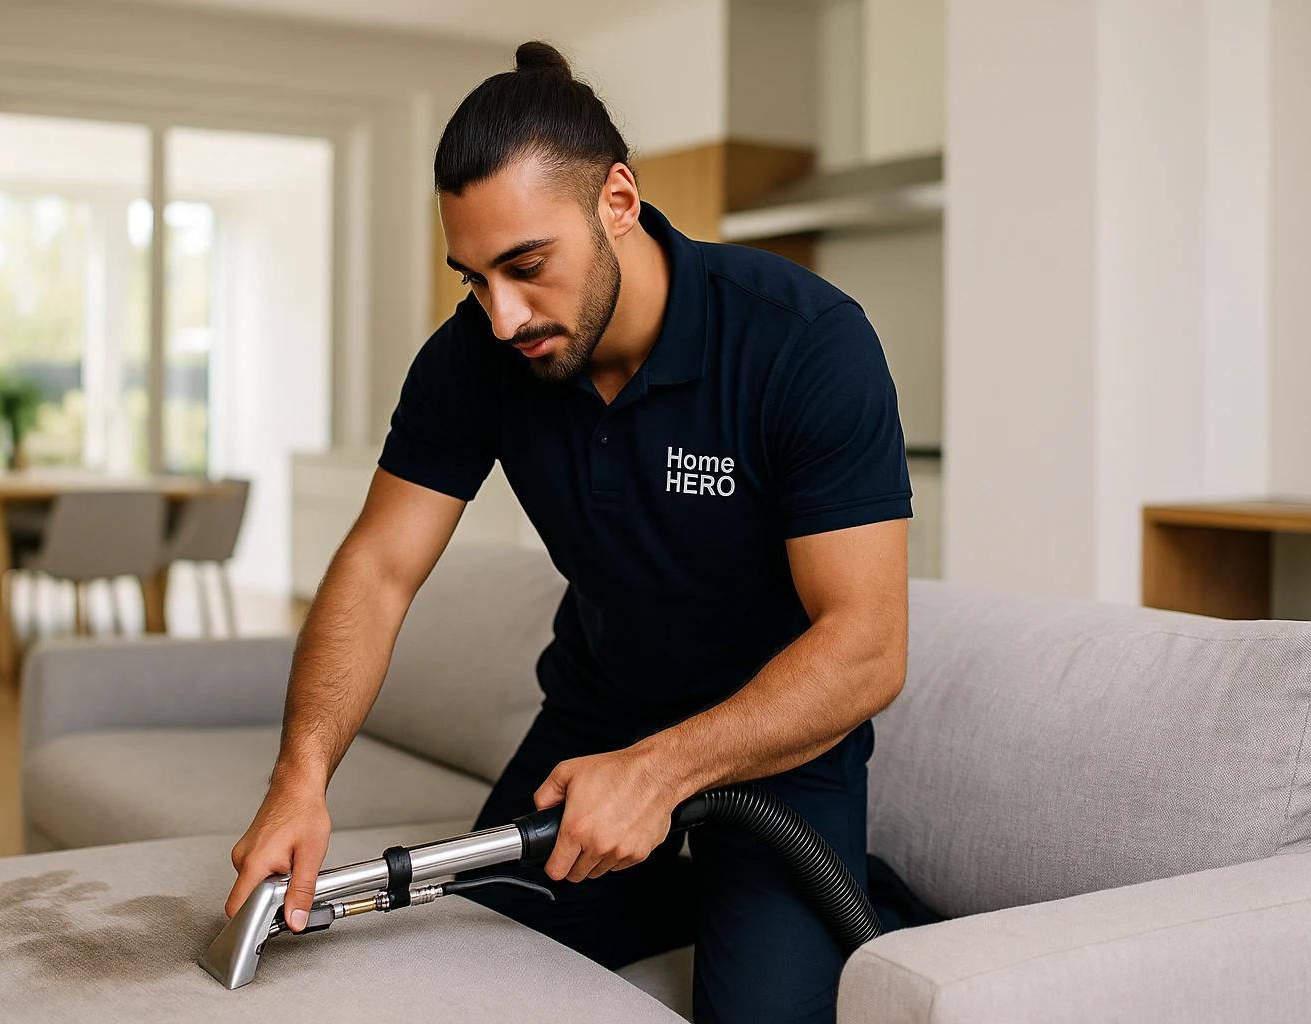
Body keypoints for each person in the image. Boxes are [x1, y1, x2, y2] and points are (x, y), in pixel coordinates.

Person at [227, 40, 912, 1024]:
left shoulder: (802, 343)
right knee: (470, 979)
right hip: (597, 723)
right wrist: (300, 777)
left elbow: (867, 644)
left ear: (618, 203)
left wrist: (663, 773)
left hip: (779, 748)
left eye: (526, 265)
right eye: (473, 278)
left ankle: (814, 886)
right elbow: (378, 569)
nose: (501, 315)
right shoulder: (474, 358)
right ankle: (674, 887)